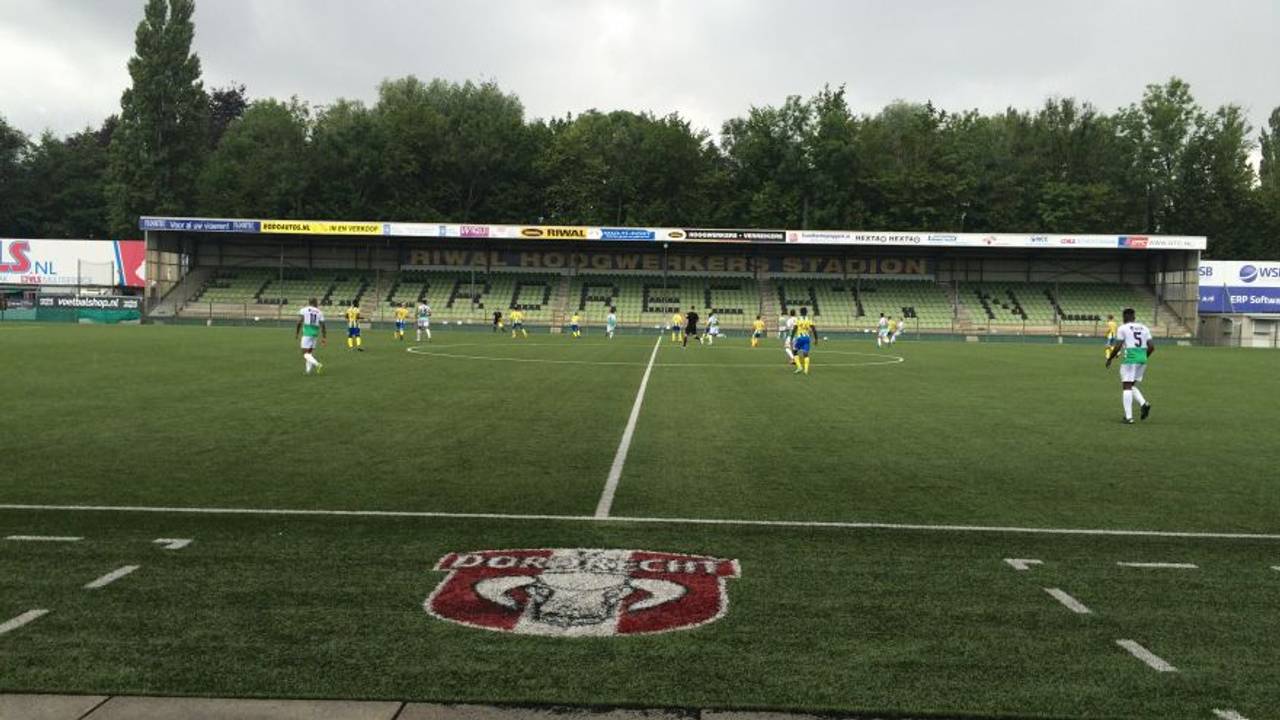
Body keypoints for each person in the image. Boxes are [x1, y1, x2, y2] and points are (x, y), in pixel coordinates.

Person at [1106, 308, 1154, 424]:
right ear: (1134, 317)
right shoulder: (1144, 328)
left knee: (1126, 387)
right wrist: (1143, 357)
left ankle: (1129, 417)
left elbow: (1118, 346)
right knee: (1131, 385)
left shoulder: (1123, 328)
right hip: (1142, 359)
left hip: (1130, 359)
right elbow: (1152, 347)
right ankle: (1144, 404)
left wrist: (1110, 359)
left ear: (1124, 317)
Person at [295, 298, 326, 375]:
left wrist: (297, 332)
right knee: (309, 353)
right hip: (315, 334)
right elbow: (323, 325)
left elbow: (299, 322)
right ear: (315, 302)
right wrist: (324, 337)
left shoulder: (304, 310)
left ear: (309, 302)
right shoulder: (319, 312)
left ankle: (317, 364)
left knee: (305, 353)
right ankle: (308, 371)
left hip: (307, 333)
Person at [792, 307, 816, 375]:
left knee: (794, 351)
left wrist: (791, 337)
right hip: (807, 338)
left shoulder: (798, 319)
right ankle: (806, 370)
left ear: (800, 312)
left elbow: (794, 329)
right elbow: (814, 329)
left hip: (800, 338)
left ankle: (799, 367)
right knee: (805, 353)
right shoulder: (809, 319)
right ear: (806, 312)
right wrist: (816, 339)